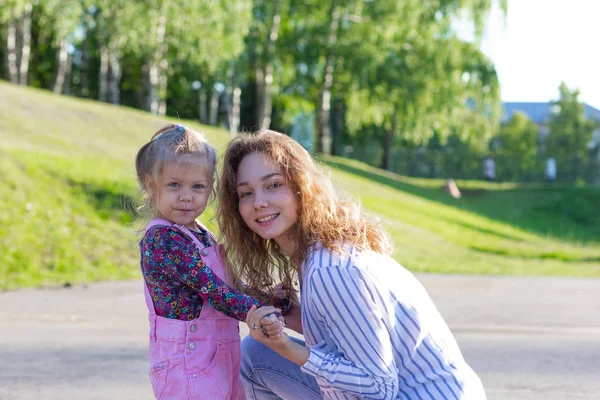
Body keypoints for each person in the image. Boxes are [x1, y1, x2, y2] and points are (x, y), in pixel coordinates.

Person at [216, 130, 487, 400]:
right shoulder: (324, 250)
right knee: (257, 354)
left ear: (302, 187)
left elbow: (378, 387)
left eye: (273, 185)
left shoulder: (330, 269)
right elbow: (351, 341)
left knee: (257, 355)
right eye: (245, 193)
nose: (259, 202)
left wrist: (286, 346)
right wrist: (297, 318)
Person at [134, 124, 286, 400]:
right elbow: (214, 292)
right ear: (151, 185)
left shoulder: (201, 233)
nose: (186, 196)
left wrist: (266, 298)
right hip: (186, 362)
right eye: (174, 185)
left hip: (219, 356)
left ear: (210, 190)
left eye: (197, 186)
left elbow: (227, 285)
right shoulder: (164, 239)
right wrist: (256, 312)